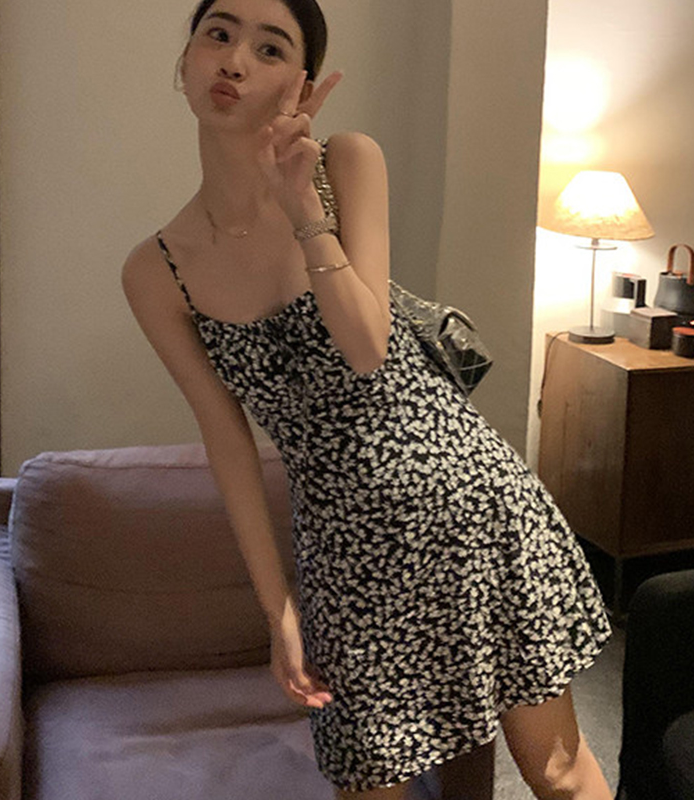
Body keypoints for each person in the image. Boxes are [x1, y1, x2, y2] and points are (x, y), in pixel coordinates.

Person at [121, 1, 616, 797]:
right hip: (345, 554)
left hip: (468, 504)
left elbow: (366, 347)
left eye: (270, 48)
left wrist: (303, 213)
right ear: (185, 61)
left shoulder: (346, 163)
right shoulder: (155, 270)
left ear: (301, 84)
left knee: (557, 771)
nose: (235, 59)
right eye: (218, 33)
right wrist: (278, 612)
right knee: (369, 783)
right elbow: (227, 440)